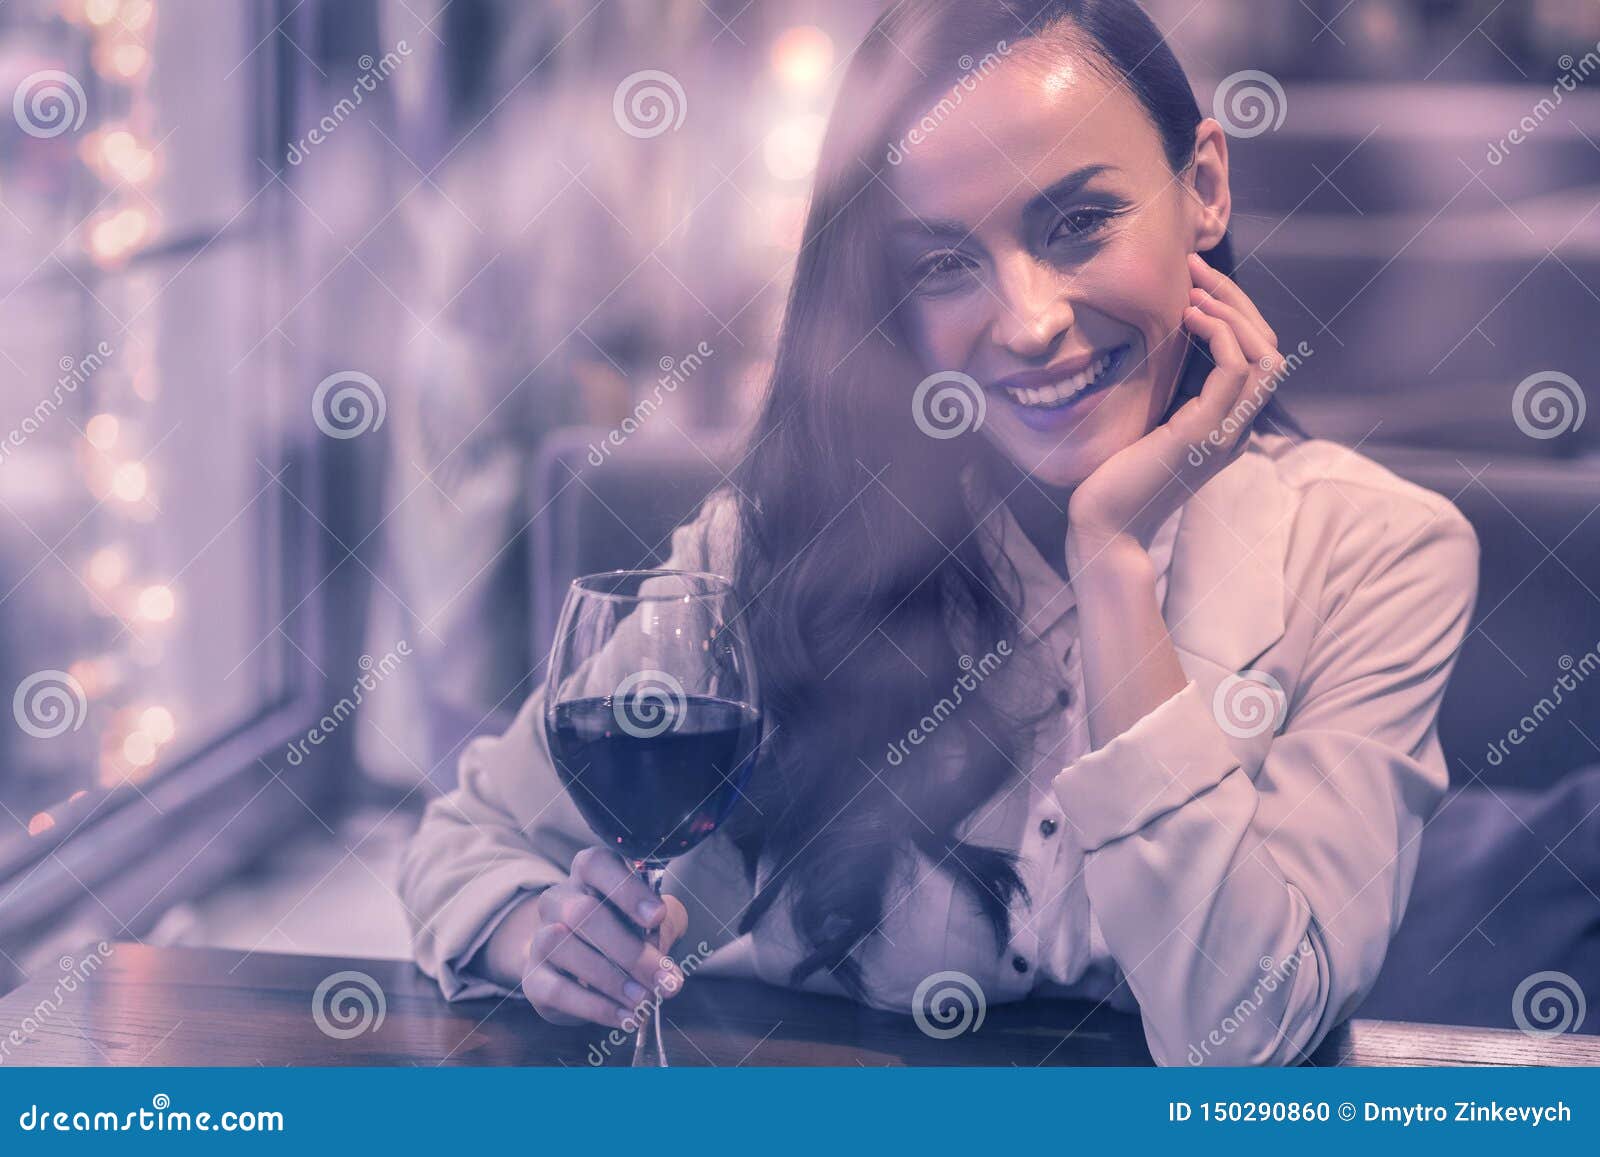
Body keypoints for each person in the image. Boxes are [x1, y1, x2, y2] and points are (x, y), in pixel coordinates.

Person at [398, 0, 1479, 1066]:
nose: (1027, 320)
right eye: (943, 264)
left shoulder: (1378, 552)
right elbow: (470, 838)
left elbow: (1243, 1028)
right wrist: (540, 935)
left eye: (1078, 223)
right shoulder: (785, 533)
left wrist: (1109, 563)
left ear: (1202, 188)